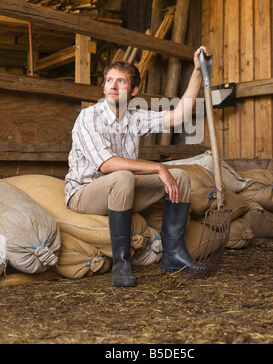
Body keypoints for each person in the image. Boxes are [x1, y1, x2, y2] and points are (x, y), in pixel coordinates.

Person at [65, 46, 211, 287]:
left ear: (133, 91)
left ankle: (174, 256)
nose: (112, 86)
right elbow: (106, 164)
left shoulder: (135, 117)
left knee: (180, 177)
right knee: (123, 175)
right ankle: (122, 262)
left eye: (120, 81)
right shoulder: (88, 117)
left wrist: (197, 70)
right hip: (84, 193)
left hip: (123, 190)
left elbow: (179, 116)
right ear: (103, 87)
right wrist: (156, 168)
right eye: (109, 80)